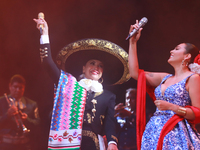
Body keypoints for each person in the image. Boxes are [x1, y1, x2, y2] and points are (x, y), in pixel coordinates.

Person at [33, 17, 130, 150]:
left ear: (102, 72)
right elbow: (47, 63)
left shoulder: (108, 96)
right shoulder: (68, 86)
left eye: (100, 65)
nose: (96, 67)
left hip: (93, 145)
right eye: (92, 63)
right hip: (66, 143)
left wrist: (112, 143)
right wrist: (45, 35)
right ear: (83, 68)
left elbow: (109, 124)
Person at [128, 20, 200, 150]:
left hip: (177, 133)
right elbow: (134, 73)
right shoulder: (164, 77)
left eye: (177, 49)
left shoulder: (193, 78)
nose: (171, 50)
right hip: (153, 131)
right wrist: (133, 42)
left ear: (187, 56)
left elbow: (198, 112)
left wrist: (172, 107)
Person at [0, 74, 40, 150]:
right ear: (10, 86)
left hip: (24, 145)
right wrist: (7, 115)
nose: (18, 90)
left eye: (20, 87)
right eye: (15, 87)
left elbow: (38, 123)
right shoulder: (1, 101)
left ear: (24, 88)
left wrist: (27, 119)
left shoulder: (32, 104)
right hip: (5, 145)